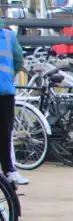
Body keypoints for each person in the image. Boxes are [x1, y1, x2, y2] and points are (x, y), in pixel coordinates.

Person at [0, 19, 25, 186]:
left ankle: (9, 170)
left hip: (5, 91)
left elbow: (18, 61)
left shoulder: (9, 36)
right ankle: (8, 170)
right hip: (5, 90)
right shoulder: (9, 36)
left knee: (5, 133)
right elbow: (18, 62)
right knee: (4, 133)